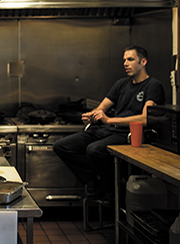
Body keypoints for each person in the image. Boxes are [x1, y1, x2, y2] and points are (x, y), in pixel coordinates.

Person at [53, 46, 165, 201]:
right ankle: (102, 179)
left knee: (94, 150)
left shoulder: (153, 86)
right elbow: (101, 108)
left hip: (129, 134)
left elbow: (146, 118)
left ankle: (111, 192)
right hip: (110, 130)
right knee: (62, 146)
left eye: (130, 59)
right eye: (124, 60)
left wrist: (109, 120)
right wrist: (91, 116)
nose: (125, 63)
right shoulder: (121, 84)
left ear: (143, 61)